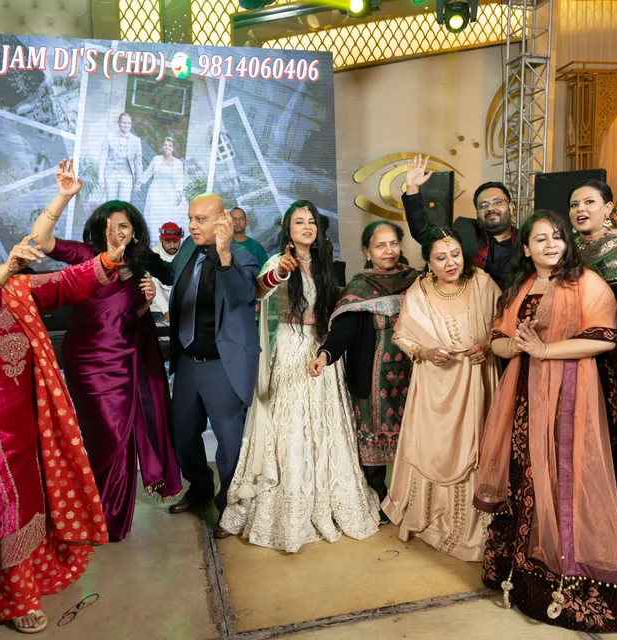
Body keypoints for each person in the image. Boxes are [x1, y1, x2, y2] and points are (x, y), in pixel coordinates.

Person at [474, 210, 617, 632]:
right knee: (529, 472)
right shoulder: (521, 287)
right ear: (526, 248)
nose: (551, 245)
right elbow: (497, 340)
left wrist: (544, 351)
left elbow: (603, 338)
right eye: (541, 239)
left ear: (568, 243)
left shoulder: (587, 282)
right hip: (526, 395)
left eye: (558, 237)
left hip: (575, 395)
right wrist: (517, 346)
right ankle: (529, 566)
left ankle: (571, 572)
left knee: (569, 475)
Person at [30, 160, 182, 542]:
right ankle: (90, 514)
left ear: (135, 232)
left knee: (121, 439)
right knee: (103, 437)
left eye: (124, 226)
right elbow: (41, 240)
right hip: (87, 366)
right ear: (100, 230)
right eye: (110, 226)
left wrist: (145, 302)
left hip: (124, 363)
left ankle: (107, 520)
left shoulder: (140, 267)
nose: (117, 232)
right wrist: (63, 196)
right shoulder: (86, 256)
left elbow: (129, 319)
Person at [220, 200, 380, 552]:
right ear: (288, 230)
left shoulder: (325, 265)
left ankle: (329, 497)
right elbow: (259, 290)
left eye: (312, 221)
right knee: (291, 425)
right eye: (299, 222)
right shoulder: (279, 262)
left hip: (323, 349)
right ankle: (287, 505)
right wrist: (280, 273)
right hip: (292, 348)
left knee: (326, 424)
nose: (307, 227)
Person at [0, 219, 125, 632]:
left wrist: (107, 259)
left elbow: (64, 283)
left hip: (21, 433)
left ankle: (21, 592)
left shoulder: (14, 291)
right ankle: (18, 598)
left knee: (20, 509)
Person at [379, 227, 500, 560]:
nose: (451, 263)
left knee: (476, 444)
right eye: (441, 257)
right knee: (433, 448)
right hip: (434, 383)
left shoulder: (483, 283)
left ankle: (473, 524)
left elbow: (503, 324)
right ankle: (432, 515)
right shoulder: (419, 291)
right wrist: (425, 352)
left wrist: (488, 346)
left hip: (476, 378)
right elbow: (402, 336)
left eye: (456, 254)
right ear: (428, 263)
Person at [145, 195, 260, 538]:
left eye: (201, 219)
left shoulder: (242, 256)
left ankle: (231, 507)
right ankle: (200, 487)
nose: (192, 226)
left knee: (229, 442)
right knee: (183, 434)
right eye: (190, 218)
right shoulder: (188, 250)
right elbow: (170, 274)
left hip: (222, 364)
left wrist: (224, 255)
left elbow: (243, 294)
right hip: (187, 362)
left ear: (223, 220)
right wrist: (139, 250)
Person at [308, 221, 419, 522]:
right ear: (367, 252)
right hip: (372, 377)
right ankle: (379, 500)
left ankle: (412, 500)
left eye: (393, 243)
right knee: (372, 442)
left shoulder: (417, 282)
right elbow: (343, 331)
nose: (388, 250)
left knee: (416, 439)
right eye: (380, 245)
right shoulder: (359, 289)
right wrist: (325, 354)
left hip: (416, 375)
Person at [568, 179, 617, 555]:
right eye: (574, 204)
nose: (580, 209)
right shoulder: (563, 249)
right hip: (567, 357)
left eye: (589, 202)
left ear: (609, 208)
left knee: (612, 446)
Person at [402, 154, 516, 290]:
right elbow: (423, 233)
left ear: (511, 208)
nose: (491, 208)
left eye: (497, 202)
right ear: (477, 213)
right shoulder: (465, 230)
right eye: (483, 205)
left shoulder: (525, 241)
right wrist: (413, 189)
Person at [136, 137, 187, 243]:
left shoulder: (178, 163)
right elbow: (148, 172)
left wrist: (179, 193)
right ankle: (154, 239)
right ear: (163, 147)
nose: (167, 147)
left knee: (166, 214)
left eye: (170, 145)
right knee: (153, 214)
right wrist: (139, 183)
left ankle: (166, 238)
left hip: (169, 192)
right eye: (165, 145)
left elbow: (179, 179)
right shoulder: (156, 159)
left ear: (173, 148)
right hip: (156, 190)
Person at [98, 112, 143, 202]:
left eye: (128, 123)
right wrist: (101, 177)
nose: (126, 125)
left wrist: (138, 181)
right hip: (111, 173)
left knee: (124, 203)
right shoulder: (109, 136)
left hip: (127, 175)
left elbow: (138, 163)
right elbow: (103, 157)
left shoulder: (136, 141)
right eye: (124, 122)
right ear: (119, 123)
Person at [150, 222, 184, 323]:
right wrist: (166, 310)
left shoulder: (186, 253)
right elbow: (155, 286)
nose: (172, 245)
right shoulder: (153, 255)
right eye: (168, 242)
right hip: (158, 309)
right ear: (160, 239)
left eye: (175, 241)